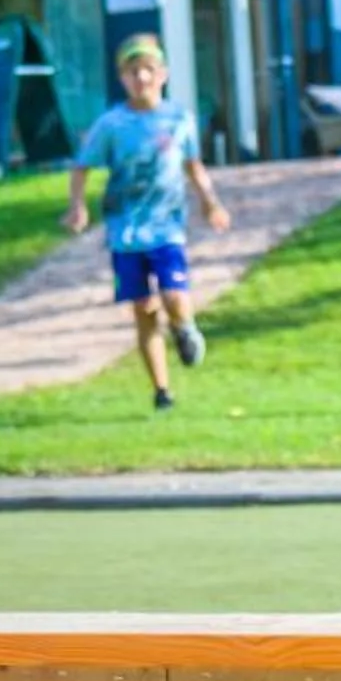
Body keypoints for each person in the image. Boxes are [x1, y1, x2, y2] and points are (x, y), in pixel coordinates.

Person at [62, 33, 232, 412]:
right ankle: (161, 390)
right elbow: (81, 167)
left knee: (172, 295)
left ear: (163, 74)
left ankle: (185, 328)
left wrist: (210, 202)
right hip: (125, 232)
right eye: (132, 71)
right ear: (122, 77)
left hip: (166, 227)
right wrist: (78, 207)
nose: (141, 78)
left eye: (148, 70)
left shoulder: (177, 119)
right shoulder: (112, 124)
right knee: (142, 308)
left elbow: (193, 165)